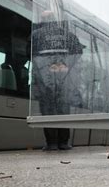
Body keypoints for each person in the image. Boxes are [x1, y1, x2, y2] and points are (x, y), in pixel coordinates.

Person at [31, 10, 84, 151]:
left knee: (47, 110)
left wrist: (46, 68)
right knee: (63, 110)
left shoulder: (36, 35)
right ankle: (63, 142)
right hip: (64, 80)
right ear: (55, 20)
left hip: (44, 80)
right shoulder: (68, 35)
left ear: (42, 21)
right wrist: (65, 65)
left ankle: (51, 143)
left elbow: (29, 54)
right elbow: (79, 51)